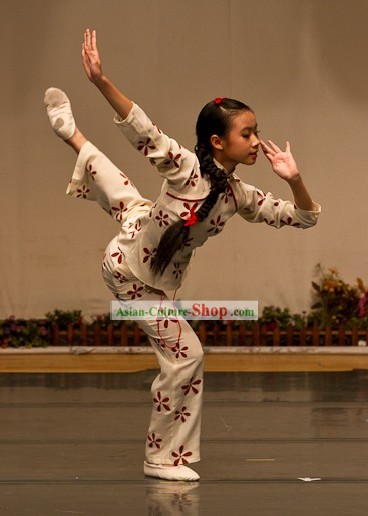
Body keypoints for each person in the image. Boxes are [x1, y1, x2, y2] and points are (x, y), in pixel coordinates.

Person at [44, 29, 321, 481]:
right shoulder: (184, 167)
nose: (256, 142)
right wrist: (99, 80)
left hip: (147, 245)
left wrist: (294, 179)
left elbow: (304, 218)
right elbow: (141, 128)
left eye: (256, 132)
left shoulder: (238, 195)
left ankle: (71, 134)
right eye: (246, 133)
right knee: (187, 356)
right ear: (217, 141)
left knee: (126, 197)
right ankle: (162, 458)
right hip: (131, 276)